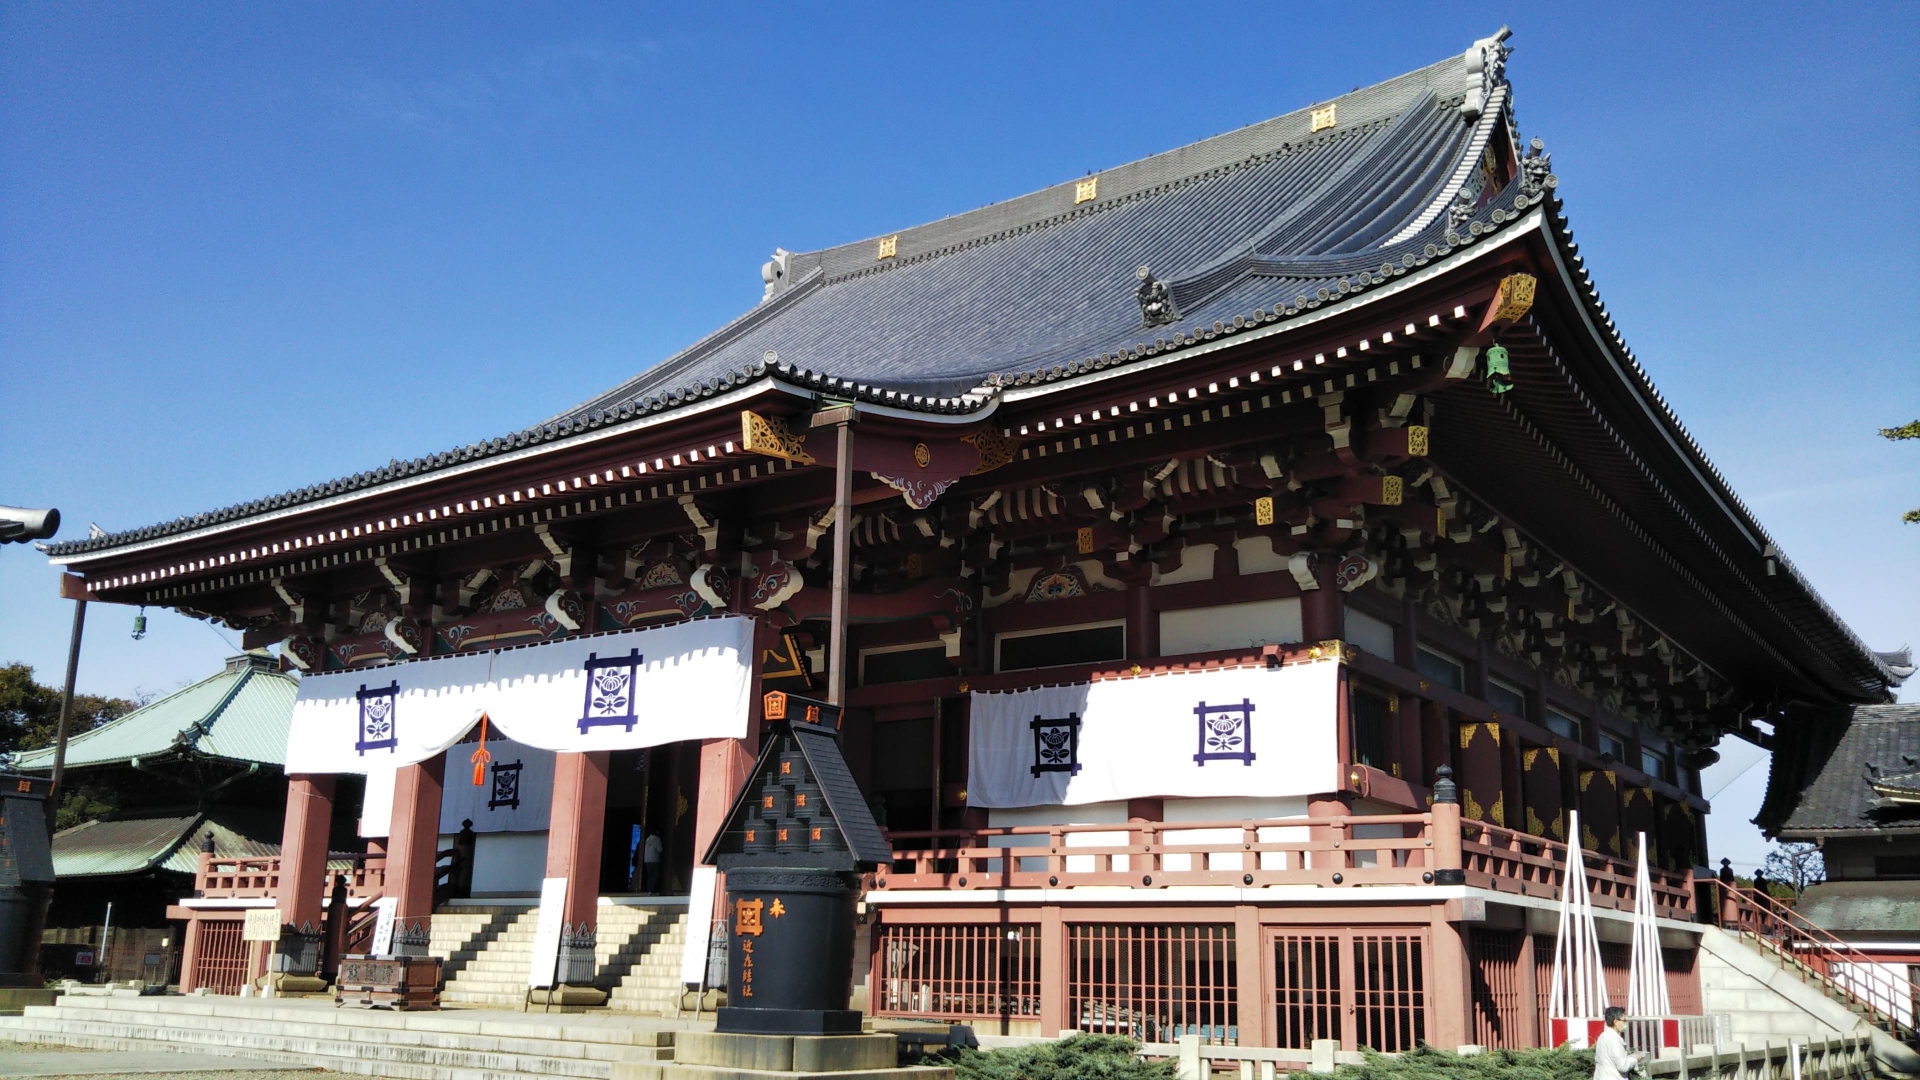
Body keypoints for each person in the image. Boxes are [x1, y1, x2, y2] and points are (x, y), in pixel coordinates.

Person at [1592, 1005, 1646, 1080]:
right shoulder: (1614, 1040)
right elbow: (1623, 1066)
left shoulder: (1603, 1036)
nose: (1625, 1023)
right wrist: (1635, 1058)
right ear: (1615, 1022)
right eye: (1624, 1020)